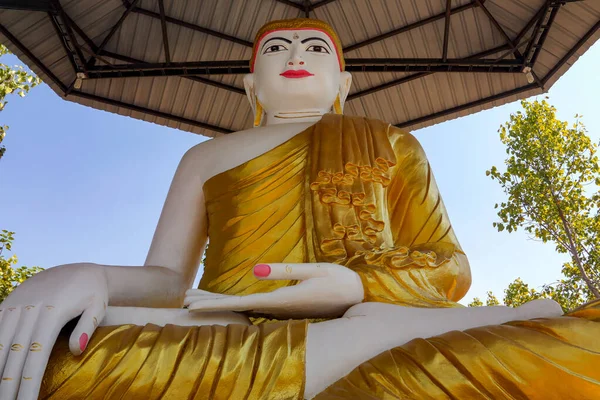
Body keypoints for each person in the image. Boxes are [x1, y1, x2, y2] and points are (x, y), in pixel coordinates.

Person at [1, 18, 599, 400]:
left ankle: (373, 335)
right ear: (250, 86)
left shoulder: (391, 141)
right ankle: (376, 343)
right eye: (277, 48)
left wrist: (354, 284)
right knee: (40, 358)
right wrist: (82, 275)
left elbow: (449, 268)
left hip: (352, 315)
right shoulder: (207, 156)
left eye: (316, 48)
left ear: (342, 82)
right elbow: (163, 281)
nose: (296, 54)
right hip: (219, 334)